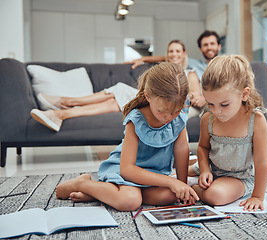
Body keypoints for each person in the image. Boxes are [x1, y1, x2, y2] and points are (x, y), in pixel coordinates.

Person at [55, 62, 199, 211]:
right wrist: (171, 182)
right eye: (162, 111)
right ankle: (82, 183)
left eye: (176, 111)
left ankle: (105, 193)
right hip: (127, 171)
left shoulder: (179, 112)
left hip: (154, 176)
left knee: (171, 196)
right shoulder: (136, 119)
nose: (169, 117)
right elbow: (127, 170)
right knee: (130, 201)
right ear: (148, 97)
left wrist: (182, 185)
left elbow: (182, 148)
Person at [30, 40, 205, 131]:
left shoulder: (189, 73)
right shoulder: (164, 70)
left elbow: (195, 95)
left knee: (120, 90)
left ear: (184, 54)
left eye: (177, 51)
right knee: (116, 100)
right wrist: (143, 58)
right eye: (170, 51)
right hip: (156, 99)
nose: (174, 54)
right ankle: (60, 112)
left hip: (176, 105)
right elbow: (159, 60)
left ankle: (65, 105)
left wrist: (197, 97)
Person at [190, 55, 267, 211]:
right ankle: (187, 176)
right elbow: (203, 148)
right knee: (169, 178)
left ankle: (189, 187)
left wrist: (257, 196)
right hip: (210, 170)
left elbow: (262, 162)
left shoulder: (256, 121)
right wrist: (205, 170)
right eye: (210, 103)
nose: (216, 111)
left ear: (244, 94)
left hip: (238, 178)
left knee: (215, 195)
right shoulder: (208, 118)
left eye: (224, 104)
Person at [126, 30, 222, 81]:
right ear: (200, 49)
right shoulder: (195, 64)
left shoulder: (226, 65)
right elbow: (169, 58)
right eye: (205, 45)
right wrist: (143, 59)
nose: (209, 47)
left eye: (212, 44)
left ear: (219, 46)